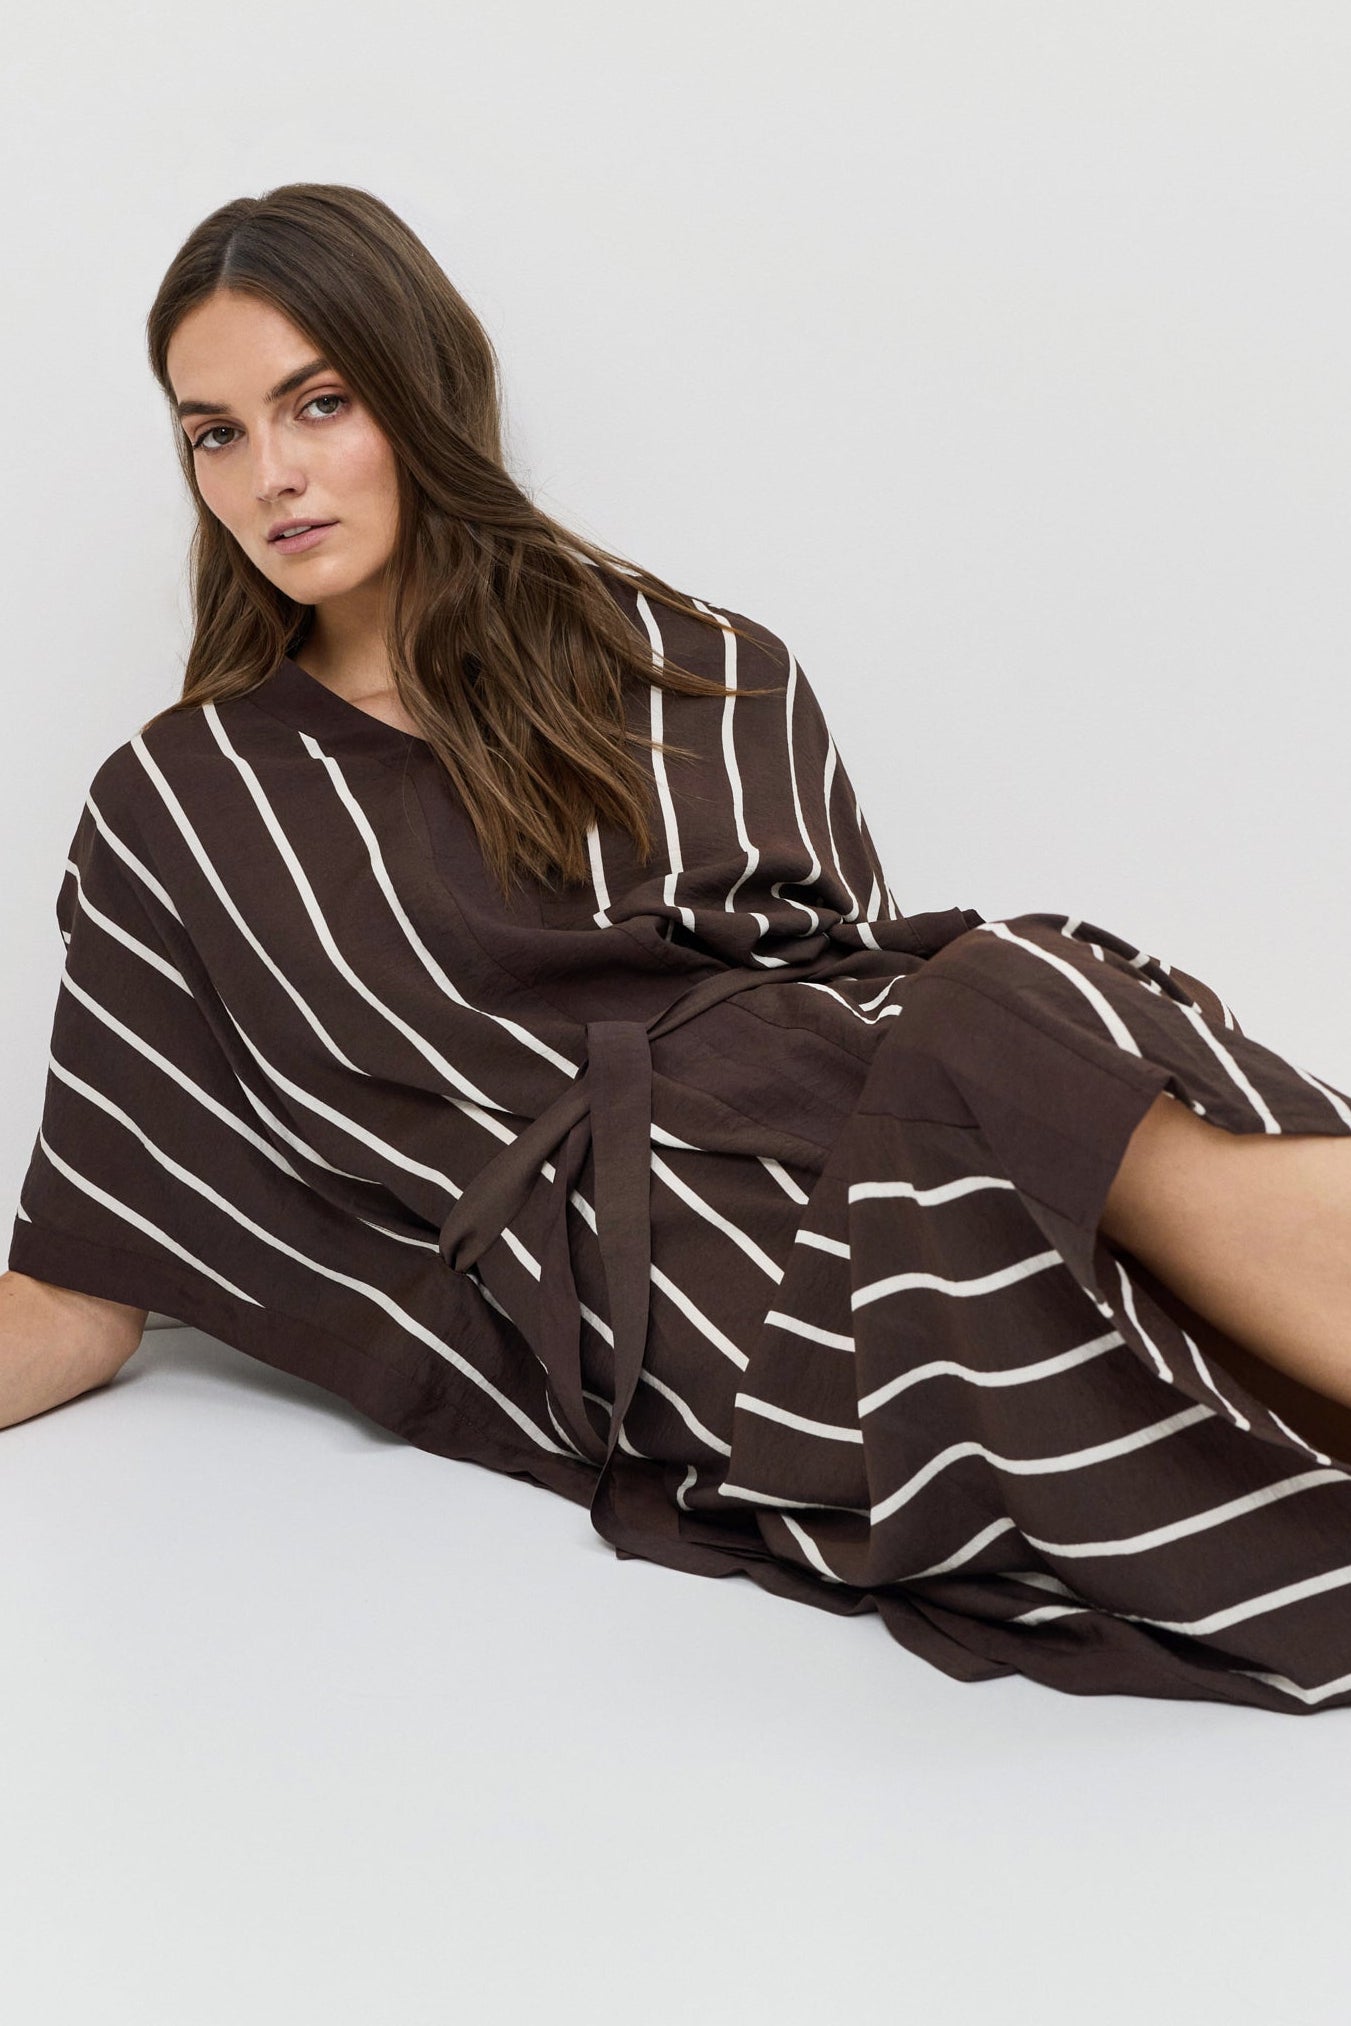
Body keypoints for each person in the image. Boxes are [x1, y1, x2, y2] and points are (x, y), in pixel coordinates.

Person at [6, 181, 1351, 1716]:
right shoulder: (183, 805)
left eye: (318, 402)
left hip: (922, 1185)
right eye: (217, 432)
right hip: (713, 1316)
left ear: (424, 393)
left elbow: (867, 1012)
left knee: (1013, 1003)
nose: (273, 475)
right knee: (1007, 1013)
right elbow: (79, 1281)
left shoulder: (696, 669)